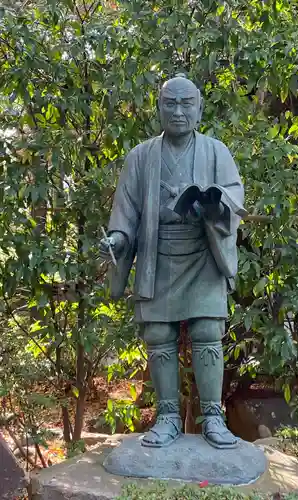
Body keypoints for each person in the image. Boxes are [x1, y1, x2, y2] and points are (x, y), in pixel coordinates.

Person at [99, 74, 246, 449]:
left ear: (198, 109)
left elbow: (234, 197)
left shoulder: (216, 152)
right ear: (159, 108)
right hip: (158, 255)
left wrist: (214, 204)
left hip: (203, 254)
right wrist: (117, 238)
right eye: (170, 104)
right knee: (159, 334)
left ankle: (213, 417)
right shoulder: (141, 156)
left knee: (207, 332)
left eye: (186, 104)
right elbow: (126, 210)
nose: (178, 111)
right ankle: (166, 417)